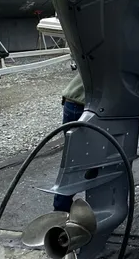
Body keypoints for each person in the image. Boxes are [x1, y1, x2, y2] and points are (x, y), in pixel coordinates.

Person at [53, 71, 86, 212]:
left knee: (73, 160)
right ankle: (61, 211)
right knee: (81, 161)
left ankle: (61, 211)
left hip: (73, 101)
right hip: (86, 103)